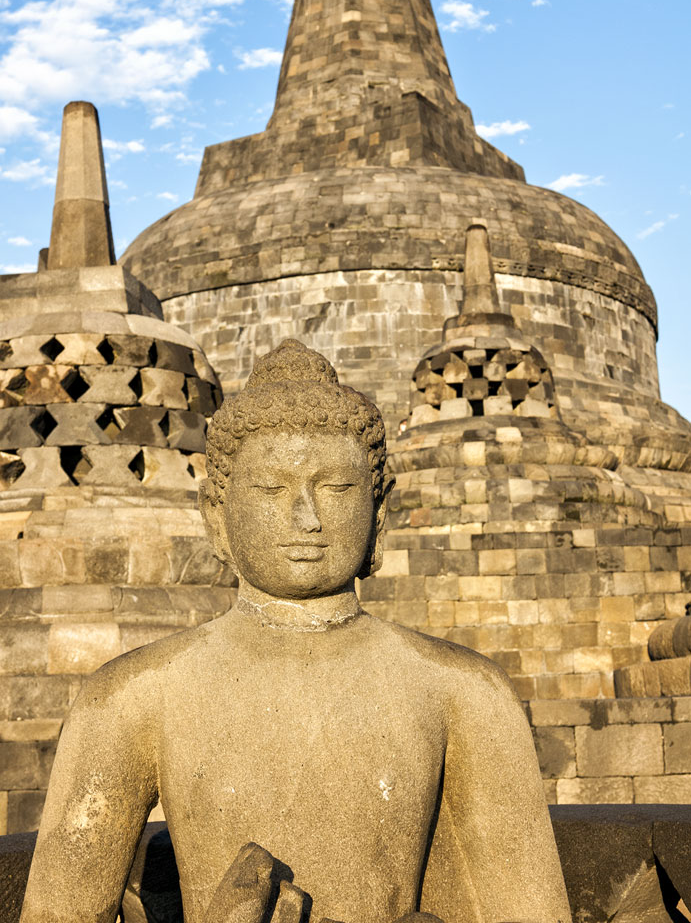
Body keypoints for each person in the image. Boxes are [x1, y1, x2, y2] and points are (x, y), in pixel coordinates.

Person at [20, 340, 571, 923]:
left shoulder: (464, 692)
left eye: (337, 489)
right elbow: (60, 912)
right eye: (271, 490)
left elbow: (528, 910)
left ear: (378, 514)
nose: (307, 518)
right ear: (217, 516)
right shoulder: (130, 696)